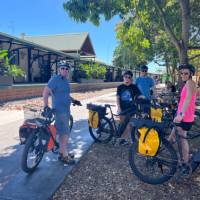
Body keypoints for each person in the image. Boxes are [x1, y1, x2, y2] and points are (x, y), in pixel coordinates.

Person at [43, 62, 81, 164]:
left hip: (66, 110)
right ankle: (65, 156)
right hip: (60, 111)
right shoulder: (55, 79)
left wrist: (74, 100)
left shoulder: (66, 81)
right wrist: (46, 106)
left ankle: (61, 152)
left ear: (68, 71)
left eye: (66, 69)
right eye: (62, 68)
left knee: (62, 133)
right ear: (59, 70)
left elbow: (65, 95)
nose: (64, 70)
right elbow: (45, 91)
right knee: (65, 134)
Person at [168, 64, 197, 175]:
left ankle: (184, 161)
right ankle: (170, 150)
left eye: (186, 73)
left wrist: (181, 114)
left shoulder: (190, 83)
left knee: (182, 138)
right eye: (181, 73)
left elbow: (188, 98)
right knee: (173, 135)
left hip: (184, 117)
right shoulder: (189, 84)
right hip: (183, 115)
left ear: (190, 74)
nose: (183, 75)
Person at [116, 70, 141, 144]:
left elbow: (139, 95)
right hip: (123, 108)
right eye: (125, 77)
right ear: (123, 77)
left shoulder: (134, 87)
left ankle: (130, 139)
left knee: (129, 124)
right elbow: (118, 98)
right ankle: (125, 138)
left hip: (131, 109)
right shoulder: (120, 87)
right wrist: (119, 107)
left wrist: (144, 98)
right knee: (123, 123)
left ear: (131, 79)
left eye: (129, 77)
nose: (127, 78)